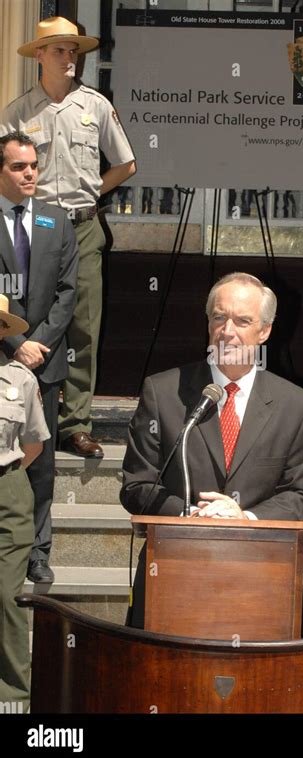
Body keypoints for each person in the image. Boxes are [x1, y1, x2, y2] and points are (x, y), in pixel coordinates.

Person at [121, 272, 303, 627]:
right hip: (172, 567)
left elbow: (302, 494)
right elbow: (138, 485)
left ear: (265, 331)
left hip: (259, 577)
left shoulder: (296, 405)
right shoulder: (163, 392)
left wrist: (244, 519)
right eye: (219, 317)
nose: (227, 330)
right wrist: (193, 515)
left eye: (242, 321)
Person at [0, 16, 136, 458]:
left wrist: (87, 192)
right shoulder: (18, 113)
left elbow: (125, 164)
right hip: (32, 229)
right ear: (39, 55)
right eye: (59, 49)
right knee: (24, 317)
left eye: (73, 50)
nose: (69, 57)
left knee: (83, 326)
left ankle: (75, 424)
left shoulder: (94, 106)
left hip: (80, 226)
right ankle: (20, 413)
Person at [0, 132, 78, 584]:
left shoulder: (56, 219)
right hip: (3, 355)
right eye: (18, 167)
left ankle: (37, 552)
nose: (29, 173)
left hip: (44, 361)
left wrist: (38, 344)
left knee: (42, 458)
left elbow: (68, 291)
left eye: (33, 166)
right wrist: (15, 343)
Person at [0, 295, 50, 712]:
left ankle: (14, 693)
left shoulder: (21, 380)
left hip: (8, 495)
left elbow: (32, 444)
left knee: (4, 594)